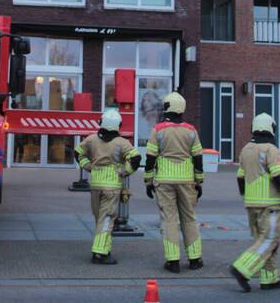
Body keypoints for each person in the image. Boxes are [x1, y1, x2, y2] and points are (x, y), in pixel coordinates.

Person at [230, 113, 280, 292]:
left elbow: (240, 177)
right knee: (270, 240)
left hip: (251, 204)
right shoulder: (271, 149)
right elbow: (279, 175)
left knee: (265, 242)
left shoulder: (245, 149)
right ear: (271, 128)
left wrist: (247, 196)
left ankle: (269, 280)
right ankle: (242, 268)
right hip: (269, 205)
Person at [144, 91, 204, 273]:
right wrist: (199, 181)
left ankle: (173, 261)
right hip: (187, 181)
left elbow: (150, 158)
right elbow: (198, 158)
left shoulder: (158, 130)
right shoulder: (191, 130)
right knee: (189, 218)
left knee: (169, 220)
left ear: (166, 108)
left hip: (164, 181)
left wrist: (148, 180)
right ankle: (195, 259)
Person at [76, 108, 141, 264]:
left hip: (95, 185)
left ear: (101, 123)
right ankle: (100, 253)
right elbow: (136, 159)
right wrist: (124, 171)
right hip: (112, 186)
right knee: (106, 219)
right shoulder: (122, 143)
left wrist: (88, 166)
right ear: (118, 125)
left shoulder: (91, 139)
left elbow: (78, 153)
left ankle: (104, 249)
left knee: (100, 219)